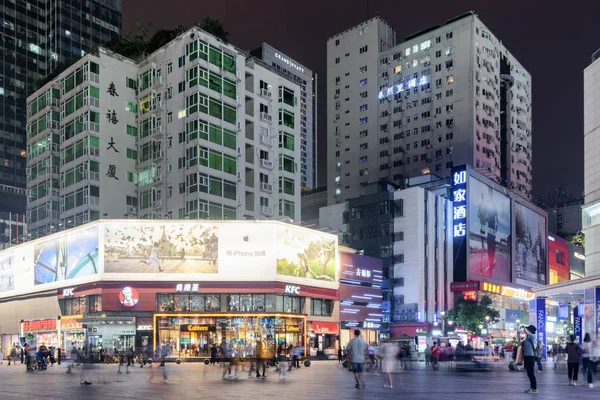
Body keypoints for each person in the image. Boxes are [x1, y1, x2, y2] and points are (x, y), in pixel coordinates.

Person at [522, 325, 538, 394]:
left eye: (528, 329)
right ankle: (532, 387)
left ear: (530, 330)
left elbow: (526, 331)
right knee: (529, 373)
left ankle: (534, 388)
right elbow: (520, 343)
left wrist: (523, 327)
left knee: (531, 373)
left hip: (530, 356)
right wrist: (518, 334)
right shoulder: (527, 338)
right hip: (526, 356)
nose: (526, 330)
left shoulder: (532, 336)